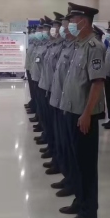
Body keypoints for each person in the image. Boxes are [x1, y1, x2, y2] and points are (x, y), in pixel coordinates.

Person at [58, 2, 106, 218]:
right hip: (72, 110)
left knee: (86, 164)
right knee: (76, 162)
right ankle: (79, 200)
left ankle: (89, 210)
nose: (70, 24)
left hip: (83, 115)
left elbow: (97, 83)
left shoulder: (94, 47)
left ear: (84, 22)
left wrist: (87, 113)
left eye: (73, 20)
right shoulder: (78, 45)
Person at [49, 11, 76, 197]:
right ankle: (66, 175)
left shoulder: (81, 48)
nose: (62, 30)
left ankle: (72, 181)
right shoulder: (67, 46)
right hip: (59, 99)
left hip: (71, 105)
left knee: (71, 146)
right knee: (61, 140)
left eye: (66, 26)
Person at [39, 12, 66, 175]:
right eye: (54, 27)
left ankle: (59, 160)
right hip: (49, 89)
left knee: (59, 132)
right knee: (51, 126)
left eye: (57, 26)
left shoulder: (65, 47)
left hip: (59, 95)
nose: (53, 30)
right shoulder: (53, 45)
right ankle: (54, 153)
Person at [31, 19, 50, 148]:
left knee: (48, 115)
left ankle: (48, 137)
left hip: (48, 85)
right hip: (40, 80)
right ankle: (44, 131)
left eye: (44, 29)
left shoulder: (50, 46)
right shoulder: (41, 45)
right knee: (42, 109)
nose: (41, 31)